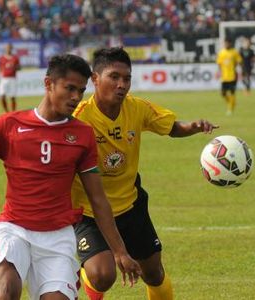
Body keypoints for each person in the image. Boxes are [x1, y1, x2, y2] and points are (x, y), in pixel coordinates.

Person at [0, 54, 141, 300]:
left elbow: (98, 198)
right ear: (48, 84)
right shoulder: (10, 124)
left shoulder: (82, 135)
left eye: (80, 91)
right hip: (13, 229)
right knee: (5, 290)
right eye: (69, 88)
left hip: (57, 236)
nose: (75, 97)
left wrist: (119, 251)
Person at [71, 47, 218, 300]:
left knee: (153, 273)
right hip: (89, 212)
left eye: (126, 78)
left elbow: (171, 127)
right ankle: (88, 275)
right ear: (95, 79)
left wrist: (192, 127)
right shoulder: (79, 119)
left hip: (130, 205)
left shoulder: (136, 108)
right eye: (114, 77)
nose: (121, 85)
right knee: (103, 275)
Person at [216, 38, 242, 115]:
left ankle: (230, 109)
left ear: (230, 43)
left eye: (227, 43)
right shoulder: (221, 53)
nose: (226, 44)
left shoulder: (234, 52)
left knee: (232, 93)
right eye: (225, 43)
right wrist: (219, 72)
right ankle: (231, 103)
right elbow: (219, 64)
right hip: (224, 77)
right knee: (223, 93)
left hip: (233, 76)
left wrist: (241, 72)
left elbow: (239, 62)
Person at [0, 43, 20, 112]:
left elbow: (19, 68)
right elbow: (0, 68)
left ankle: (13, 112)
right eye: (7, 48)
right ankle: (6, 112)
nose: (8, 49)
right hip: (4, 79)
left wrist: (13, 66)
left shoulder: (15, 58)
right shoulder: (1, 58)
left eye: (10, 48)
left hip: (12, 79)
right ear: (5, 48)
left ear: (11, 49)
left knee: (12, 97)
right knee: (2, 96)